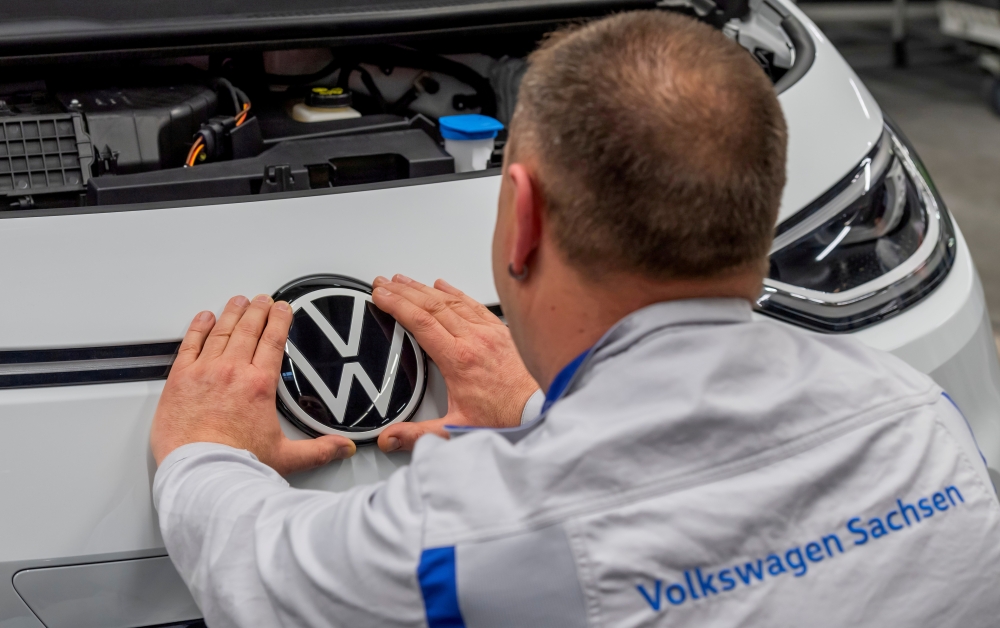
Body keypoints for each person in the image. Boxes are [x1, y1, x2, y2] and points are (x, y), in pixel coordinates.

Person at [150, 10, 1000, 628]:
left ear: (522, 215)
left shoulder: (475, 528)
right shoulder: (919, 420)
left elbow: (262, 575)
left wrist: (201, 451)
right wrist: (541, 415)